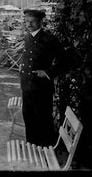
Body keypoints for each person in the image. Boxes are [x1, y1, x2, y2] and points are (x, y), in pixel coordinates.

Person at [19, 9, 68, 146]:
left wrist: (47, 72)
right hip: (26, 85)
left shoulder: (49, 39)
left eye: (32, 22)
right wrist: (22, 66)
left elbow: (66, 60)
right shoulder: (28, 37)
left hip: (41, 87)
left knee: (42, 118)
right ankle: (32, 146)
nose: (29, 24)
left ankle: (46, 150)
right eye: (26, 21)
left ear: (41, 22)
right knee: (28, 117)